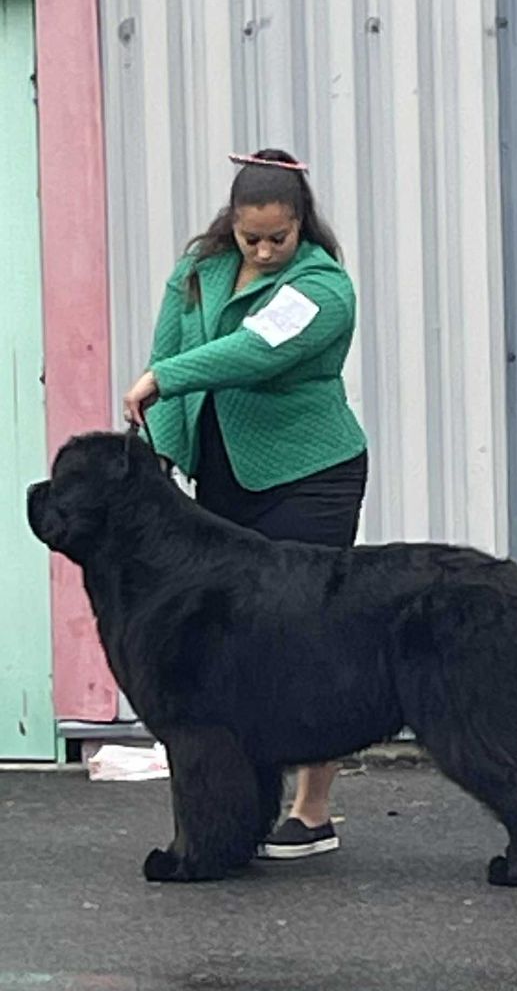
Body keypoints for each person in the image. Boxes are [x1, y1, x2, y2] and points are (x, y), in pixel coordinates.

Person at [123, 148, 368, 859]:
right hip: (225, 479)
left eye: (277, 239)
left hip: (310, 474)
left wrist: (162, 379)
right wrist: (162, 457)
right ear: (230, 223)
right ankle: (238, 814)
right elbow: (163, 351)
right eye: (248, 237)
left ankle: (313, 811)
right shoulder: (197, 271)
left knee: (312, 633)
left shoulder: (322, 286)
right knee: (235, 649)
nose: (262, 251)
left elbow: (254, 352)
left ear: (301, 226)